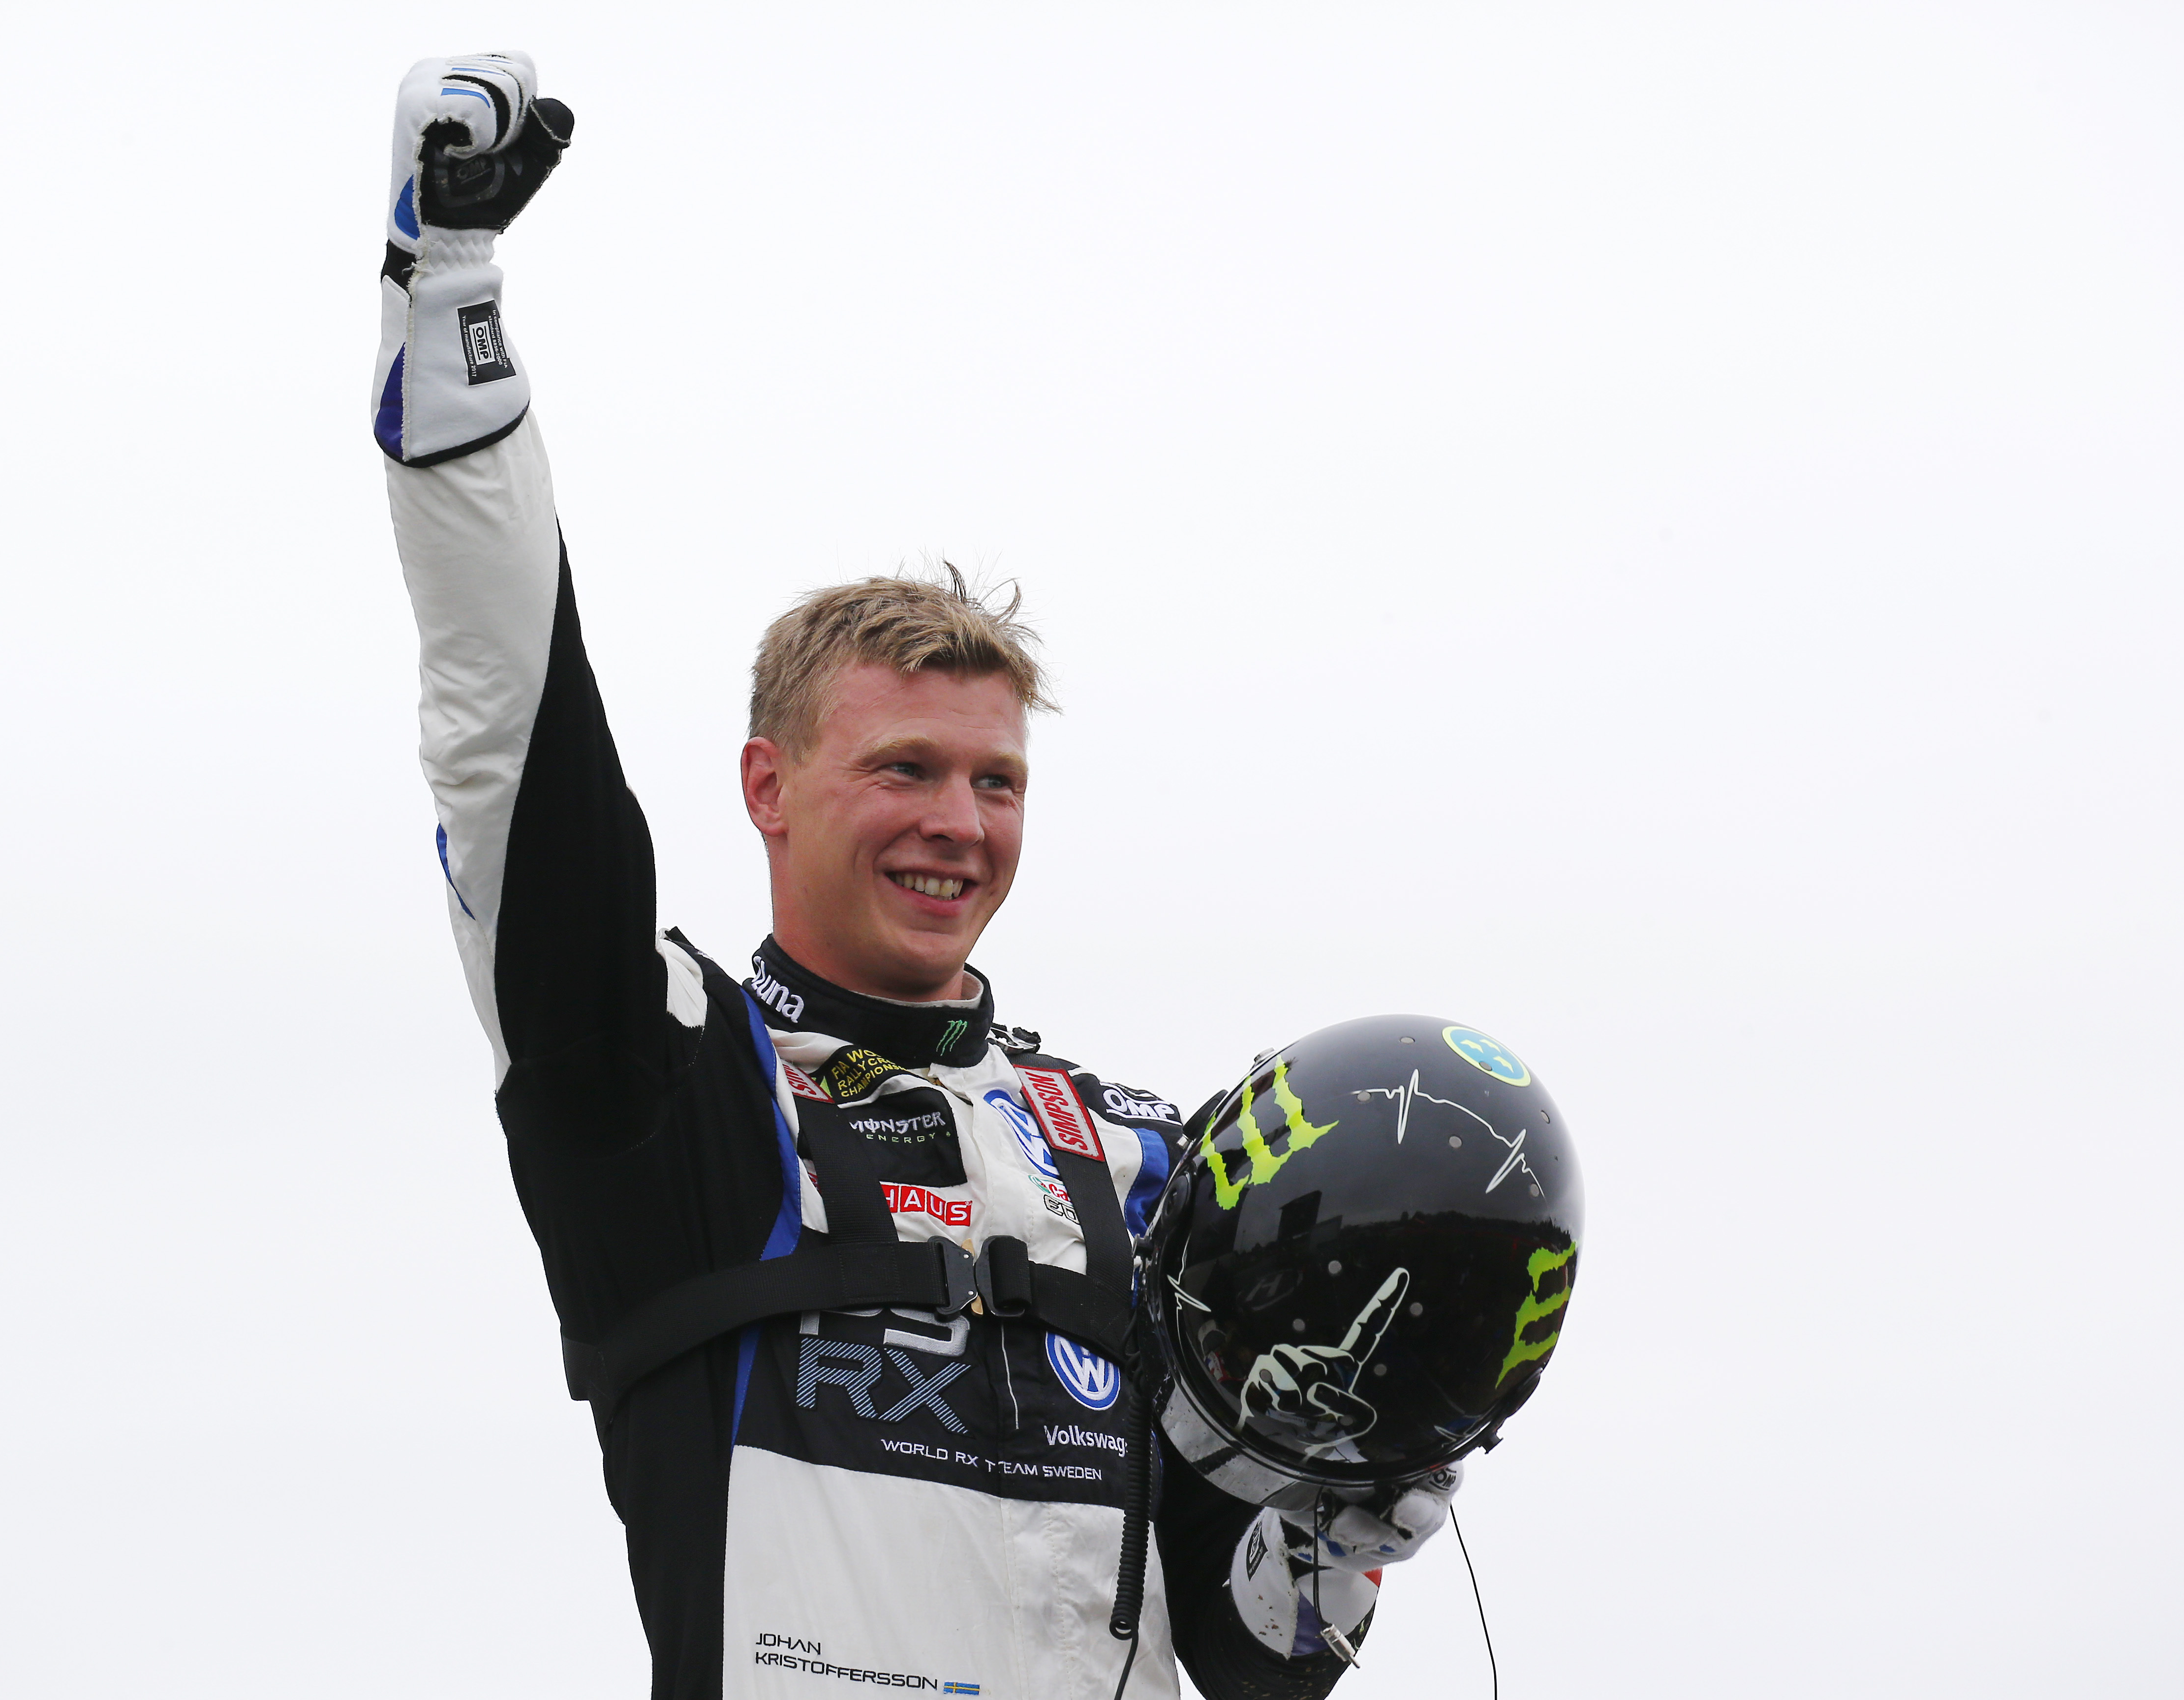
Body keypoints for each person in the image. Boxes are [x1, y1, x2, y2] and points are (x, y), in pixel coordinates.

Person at [375, 52, 1453, 1700]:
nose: (958, 821)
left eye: (995, 782)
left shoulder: (1146, 1163)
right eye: (903, 770)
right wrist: (449, 300)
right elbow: (507, 742)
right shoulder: (677, 1097)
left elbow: (1252, 1658)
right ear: (769, 788)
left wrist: (1350, 1516)